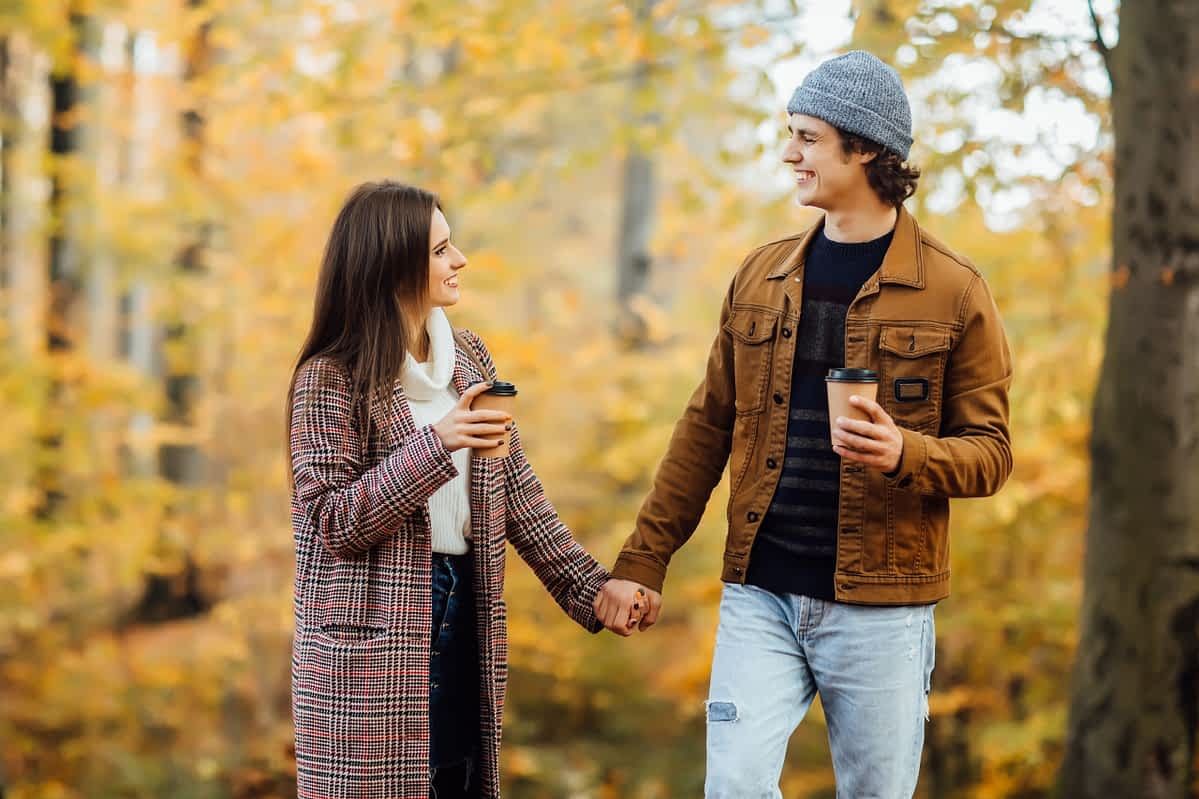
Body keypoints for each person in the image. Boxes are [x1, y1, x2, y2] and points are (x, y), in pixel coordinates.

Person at [594, 51, 1013, 797]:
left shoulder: (953, 290)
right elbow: (703, 429)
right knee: (733, 786)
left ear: (867, 149)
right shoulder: (760, 276)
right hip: (761, 593)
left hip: (883, 605)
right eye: (790, 134)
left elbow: (990, 455)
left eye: (808, 137)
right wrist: (641, 559)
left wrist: (902, 451)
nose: (789, 153)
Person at [286, 181, 638, 799]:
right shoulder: (329, 376)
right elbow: (330, 523)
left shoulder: (470, 355)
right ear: (391, 264)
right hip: (367, 646)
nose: (460, 261)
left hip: (463, 613)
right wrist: (437, 443)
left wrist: (593, 589)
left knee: (456, 781)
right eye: (441, 250)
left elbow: (517, 495)